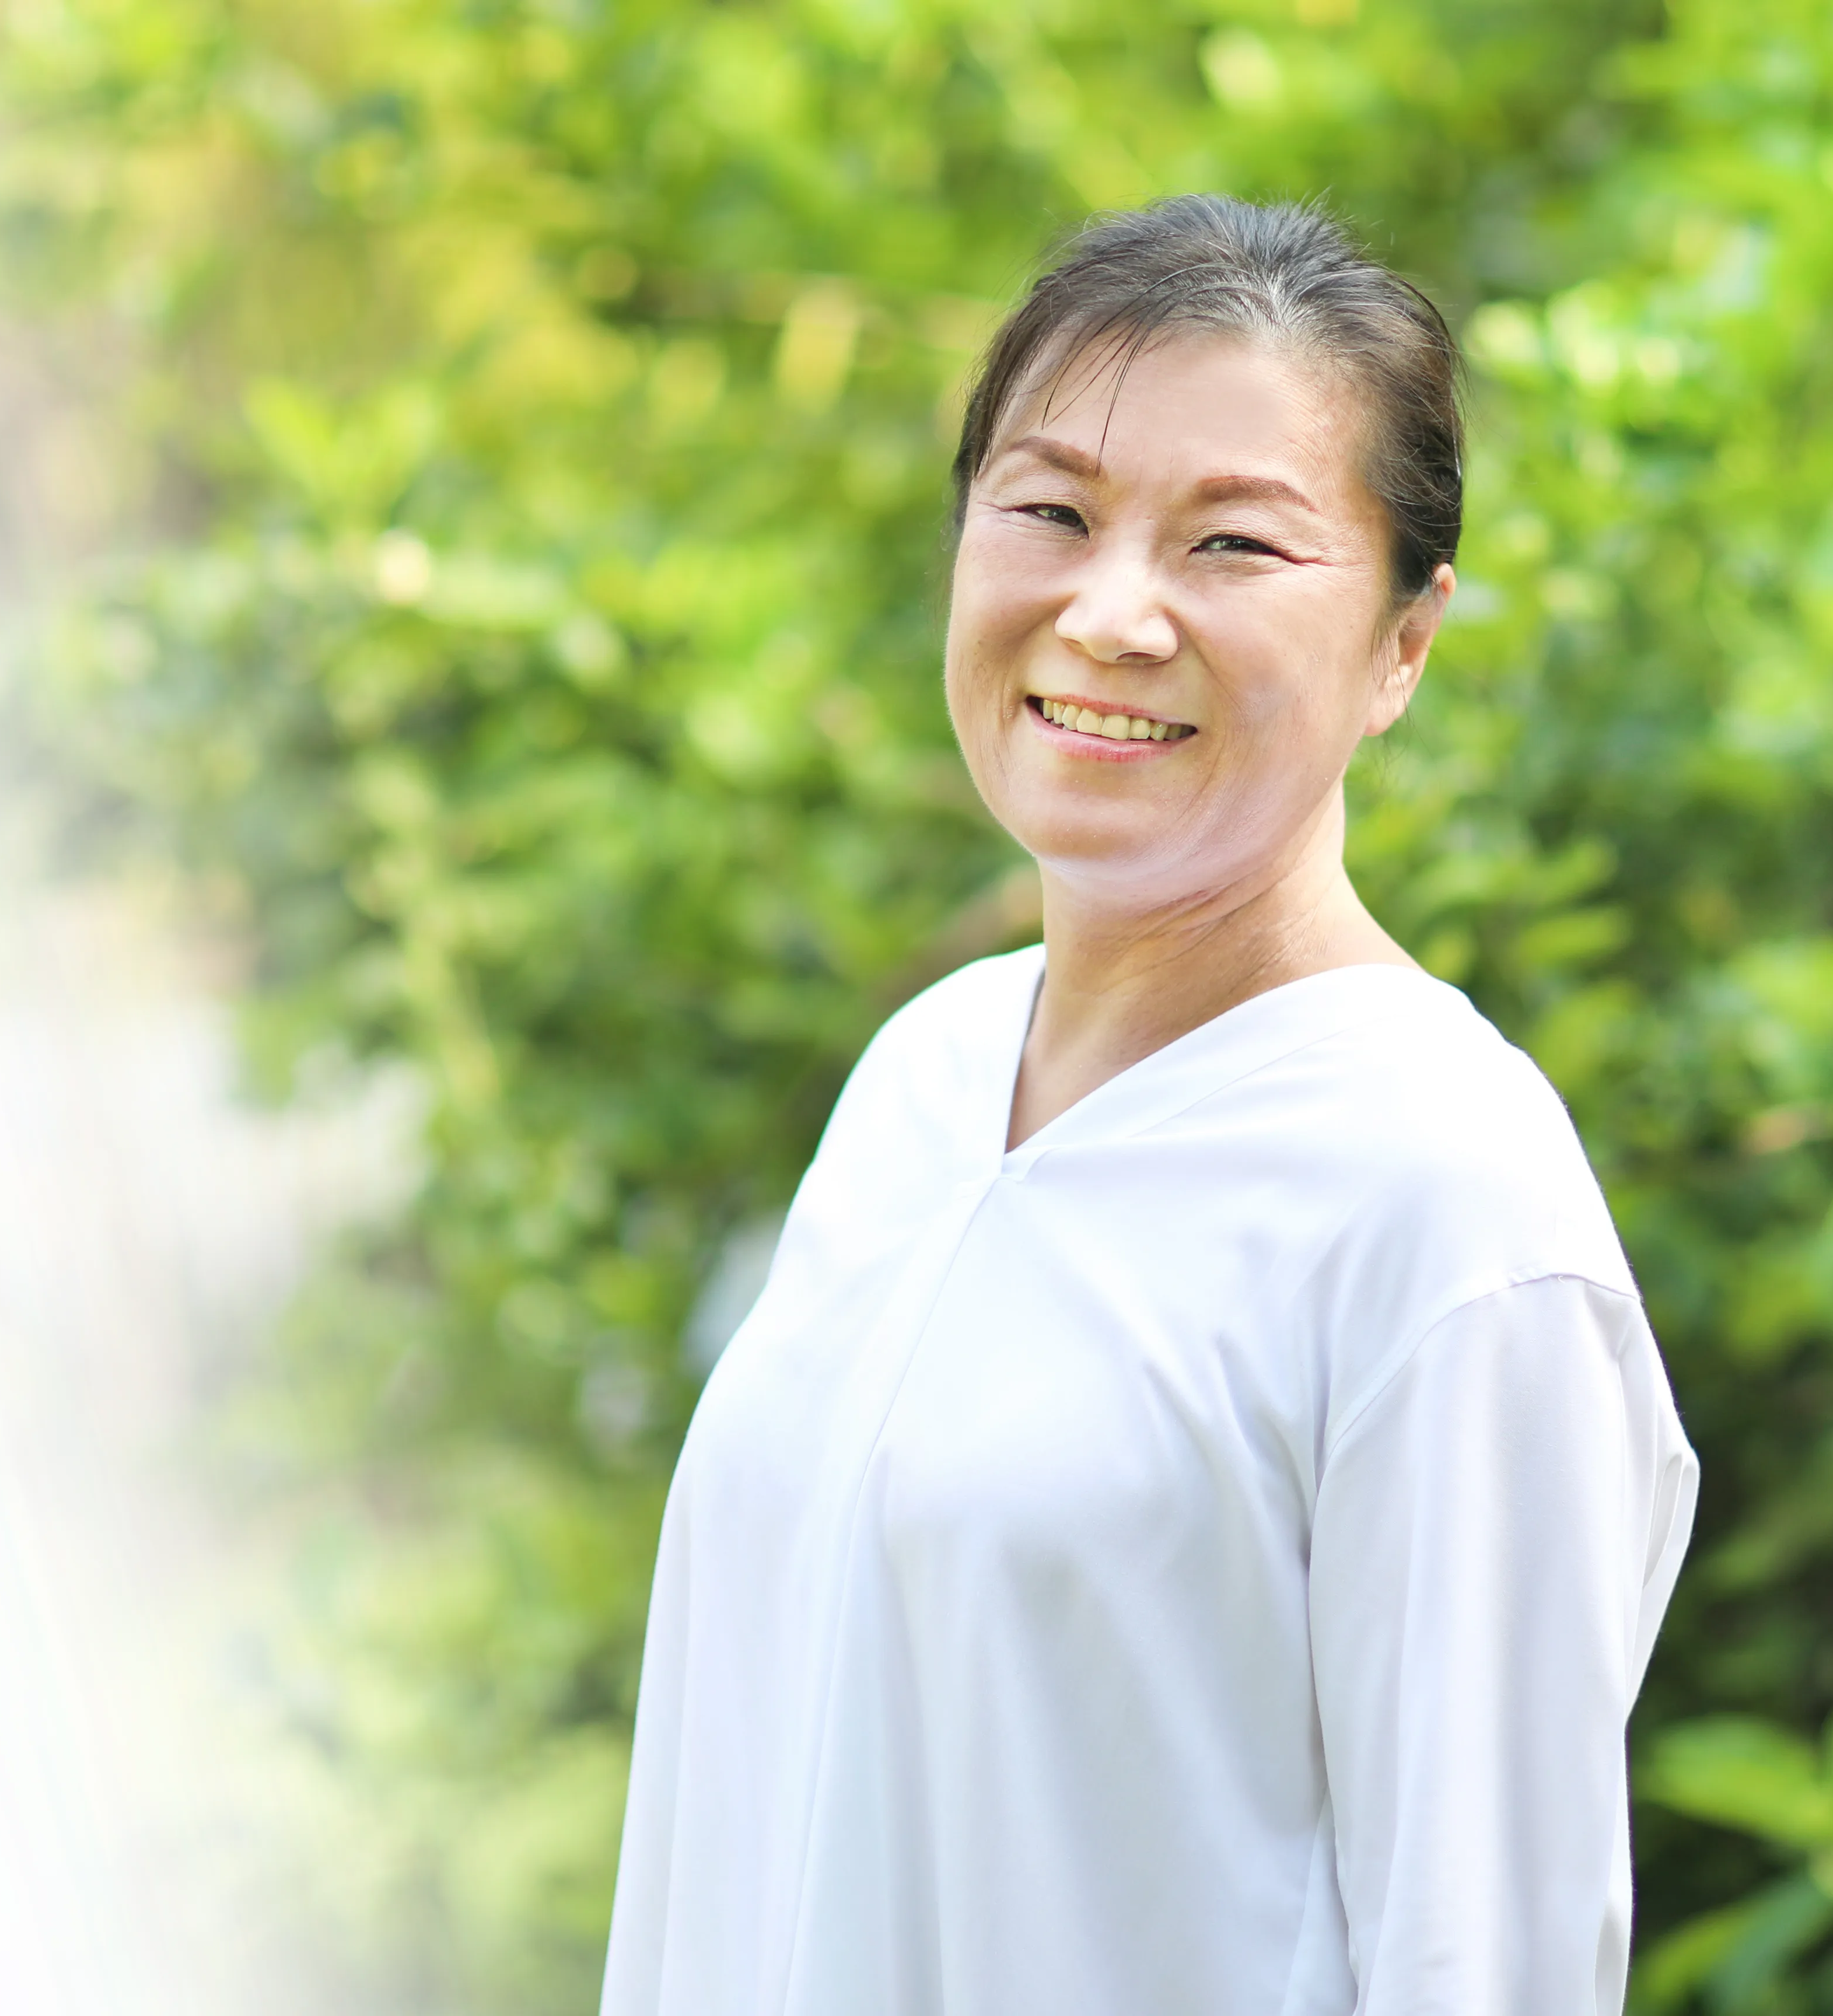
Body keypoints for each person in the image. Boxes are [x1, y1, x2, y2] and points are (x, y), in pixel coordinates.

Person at [599, 195, 1701, 2015]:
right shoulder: (926, 1080)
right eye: (1049, 513)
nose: (1111, 614)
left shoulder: (1442, 1203)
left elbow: (1482, 1963)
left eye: (1234, 545)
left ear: (1406, 643)